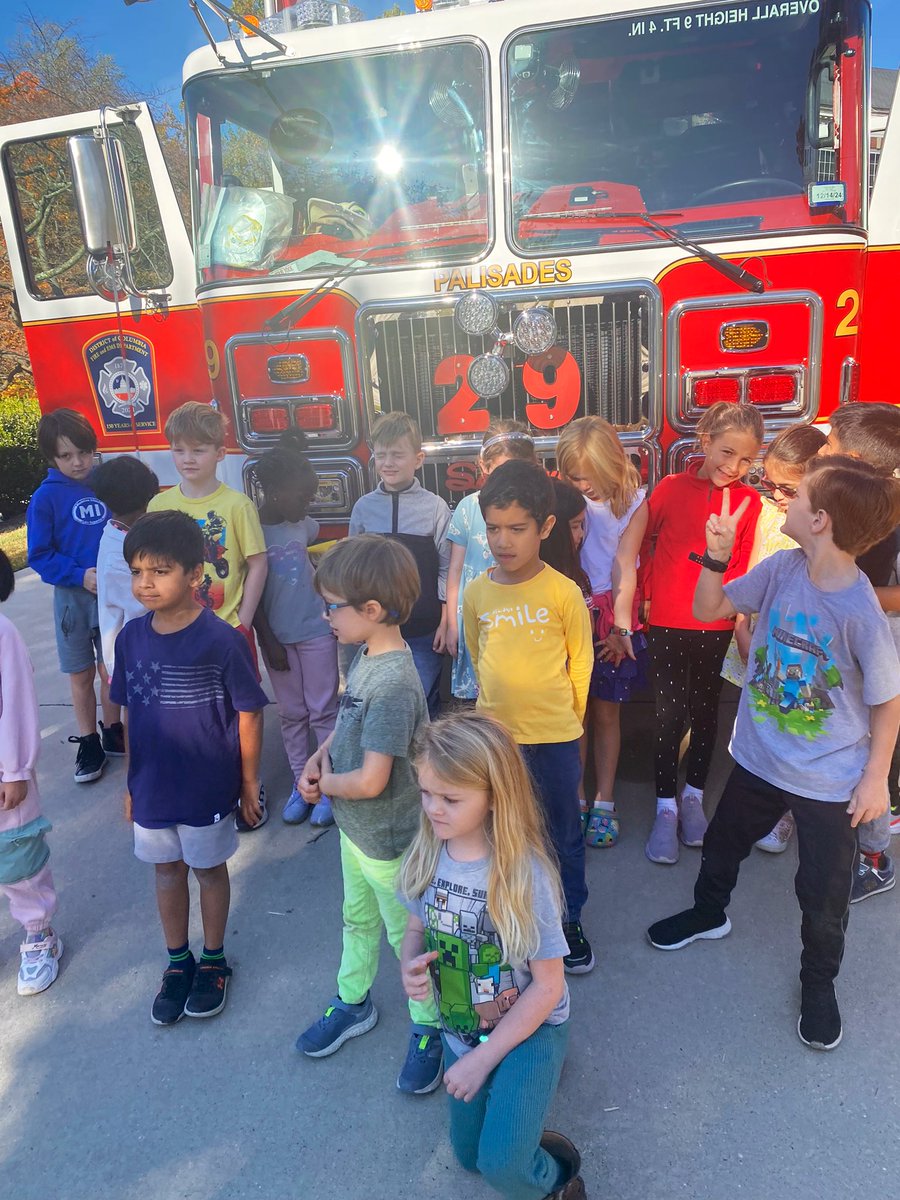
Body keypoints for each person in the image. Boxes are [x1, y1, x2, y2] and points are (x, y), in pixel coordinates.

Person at [648, 456, 900, 1051]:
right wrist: (716, 553)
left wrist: (874, 780)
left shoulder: (862, 611)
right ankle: (709, 913)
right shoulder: (782, 568)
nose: (780, 502)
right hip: (760, 759)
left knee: (823, 893)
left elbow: (888, 703)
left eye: (795, 495)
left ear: (820, 520)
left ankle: (819, 984)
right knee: (722, 845)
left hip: (827, 781)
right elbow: (711, 607)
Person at [398, 713, 585, 1200]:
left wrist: (484, 1060)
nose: (433, 809)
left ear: (494, 796)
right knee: (469, 1157)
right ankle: (515, 1122)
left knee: (501, 1166)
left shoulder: (527, 876)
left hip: (530, 1029)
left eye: (451, 799)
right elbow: (415, 928)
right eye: (426, 793)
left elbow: (547, 986)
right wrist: (410, 962)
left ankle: (556, 1180)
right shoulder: (426, 853)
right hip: (460, 1028)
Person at [295, 535, 444, 1095]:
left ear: (373, 611)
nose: (325, 615)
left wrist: (321, 786)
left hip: (389, 842)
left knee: (407, 941)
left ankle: (430, 1028)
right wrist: (320, 754)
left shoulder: (395, 684)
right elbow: (346, 723)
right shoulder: (364, 656)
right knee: (356, 923)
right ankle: (353, 1001)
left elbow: (373, 780)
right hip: (355, 833)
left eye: (332, 605)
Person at [111, 511, 268, 1025]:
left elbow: (248, 712)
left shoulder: (221, 641)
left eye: (159, 571)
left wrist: (249, 782)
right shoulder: (130, 639)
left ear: (196, 575)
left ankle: (215, 959)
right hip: (152, 788)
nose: (145, 583)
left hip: (205, 787)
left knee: (207, 870)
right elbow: (131, 711)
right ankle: (178, 960)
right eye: (137, 571)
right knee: (165, 871)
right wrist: (132, 782)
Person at [463, 461, 595, 975]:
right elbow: (477, 656)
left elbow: (579, 663)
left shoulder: (563, 592)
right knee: (504, 835)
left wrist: (570, 722)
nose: (503, 541)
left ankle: (569, 919)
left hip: (557, 739)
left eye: (517, 529)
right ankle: (511, 918)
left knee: (563, 834)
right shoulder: (476, 594)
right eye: (493, 528)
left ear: (545, 528)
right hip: (497, 742)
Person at [639, 402, 763, 864]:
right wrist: (645, 594)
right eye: (726, 452)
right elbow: (643, 540)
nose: (733, 467)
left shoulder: (750, 502)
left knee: (706, 710)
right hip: (668, 620)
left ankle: (693, 797)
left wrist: (739, 618)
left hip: (715, 623)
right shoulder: (671, 487)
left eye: (746, 460)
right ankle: (665, 806)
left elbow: (745, 563)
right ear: (705, 442)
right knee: (669, 713)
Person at [147, 401, 269, 828]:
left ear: (220, 452)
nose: (188, 460)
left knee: (241, 713)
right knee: (195, 714)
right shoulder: (159, 505)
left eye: (198, 450)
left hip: (229, 630)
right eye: (179, 450)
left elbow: (257, 562)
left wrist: (245, 619)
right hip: (177, 633)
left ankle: (250, 786)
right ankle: (205, 782)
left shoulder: (237, 506)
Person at [720, 423, 826, 853]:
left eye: (786, 488)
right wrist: (743, 628)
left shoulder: (820, 533)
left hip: (797, 647)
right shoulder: (766, 513)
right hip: (755, 631)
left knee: (794, 721)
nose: (774, 496)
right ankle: (758, 795)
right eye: (768, 483)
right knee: (755, 715)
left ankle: (785, 812)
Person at [819, 402, 900, 900]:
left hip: (880, 646)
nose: (820, 450)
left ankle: (874, 859)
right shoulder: (842, 504)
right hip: (841, 644)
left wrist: (851, 593)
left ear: (851, 458)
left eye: (828, 444)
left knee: (870, 756)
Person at [556, 417, 649, 848]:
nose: (586, 486)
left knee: (606, 709)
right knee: (572, 710)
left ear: (613, 464)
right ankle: (574, 795)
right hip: (565, 607)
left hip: (609, 613)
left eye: (592, 477)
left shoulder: (633, 503)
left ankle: (604, 798)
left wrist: (621, 625)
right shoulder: (561, 500)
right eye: (576, 477)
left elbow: (623, 565)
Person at [26, 408, 121, 783]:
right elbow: (40, 555)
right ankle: (89, 742)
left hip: (111, 593)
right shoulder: (45, 498)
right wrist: (79, 576)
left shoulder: (106, 484)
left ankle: (114, 730)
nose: (78, 462)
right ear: (52, 458)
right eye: (66, 456)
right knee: (81, 673)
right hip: (73, 599)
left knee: (112, 667)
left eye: (84, 452)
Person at [252, 445, 338, 825]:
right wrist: (267, 640)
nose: (309, 503)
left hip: (317, 630)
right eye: (303, 496)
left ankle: (327, 786)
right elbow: (249, 596)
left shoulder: (305, 525)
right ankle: (301, 784)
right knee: (291, 714)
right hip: (279, 640)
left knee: (323, 710)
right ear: (274, 492)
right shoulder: (251, 531)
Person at [349, 412, 451, 718]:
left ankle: (422, 766)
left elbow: (446, 568)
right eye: (381, 455)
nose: (388, 463)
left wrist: (446, 621)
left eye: (397, 455)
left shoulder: (435, 507)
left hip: (423, 631)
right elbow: (351, 569)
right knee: (381, 707)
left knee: (418, 704)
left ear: (418, 459)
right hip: (376, 630)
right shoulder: (364, 508)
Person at [0, 550, 63, 996]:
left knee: (17, 857)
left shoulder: (2, 634)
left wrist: (16, 768)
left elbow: (17, 703)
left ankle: (39, 934)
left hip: (5, 774)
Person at [446, 422, 538, 702]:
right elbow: (455, 569)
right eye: (500, 470)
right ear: (483, 466)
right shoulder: (468, 507)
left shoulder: (536, 506)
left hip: (520, 613)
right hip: (476, 613)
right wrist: (451, 623)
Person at [91, 455, 160, 684]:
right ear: (146, 498)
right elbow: (143, 604)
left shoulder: (123, 536)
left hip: (141, 650)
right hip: (135, 656)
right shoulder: (117, 553)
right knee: (142, 714)